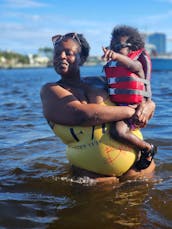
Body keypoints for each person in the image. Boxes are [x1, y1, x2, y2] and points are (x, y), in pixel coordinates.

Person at [40, 32, 156, 185]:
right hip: (93, 176)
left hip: (139, 165)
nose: (61, 56)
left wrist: (149, 106)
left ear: (82, 59)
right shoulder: (50, 90)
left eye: (68, 53)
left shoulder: (102, 81)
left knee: (146, 206)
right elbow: (81, 115)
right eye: (57, 54)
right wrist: (131, 111)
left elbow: (135, 94)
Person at [102, 25, 157, 171]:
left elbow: (132, 65)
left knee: (117, 132)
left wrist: (115, 55)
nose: (113, 50)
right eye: (111, 46)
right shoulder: (114, 66)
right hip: (120, 107)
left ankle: (147, 148)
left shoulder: (137, 65)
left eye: (118, 46)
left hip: (134, 109)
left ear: (133, 49)